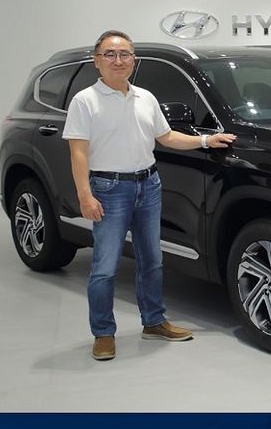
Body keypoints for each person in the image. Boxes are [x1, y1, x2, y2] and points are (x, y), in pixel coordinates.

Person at [62, 30, 237, 360]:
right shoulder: (85, 101)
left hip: (149, 185)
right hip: (109, 189)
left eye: (125, 54)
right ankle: (103, 332)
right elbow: (78, 152)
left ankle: (154, 321)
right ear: (97, 60)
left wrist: (205, 141)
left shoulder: (145, 97)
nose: (118, 60)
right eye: (110, 54)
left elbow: (167, 137)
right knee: (105, 266)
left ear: (134, 60)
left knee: (152, 260)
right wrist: (85, 194)